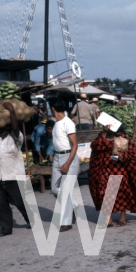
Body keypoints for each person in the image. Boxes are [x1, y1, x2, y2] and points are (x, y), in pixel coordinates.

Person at [89, 125, 136, 227]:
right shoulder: (100, 138)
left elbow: (133, 153)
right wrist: (104, 133)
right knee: (103, 192)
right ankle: (108, 218)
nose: (108, 128)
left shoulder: (122, 138)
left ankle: (123, 216)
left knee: (121, 192)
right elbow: (96, 146)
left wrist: (123, 156)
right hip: (104, 170)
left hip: (119, 169)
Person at [0, 102, 31, 237]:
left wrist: (11, 111)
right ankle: (6, 229)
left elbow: (16, 127)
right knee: (0, 204)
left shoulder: (16, 138)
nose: (0, 130)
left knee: (20, 202)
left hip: (14, 176)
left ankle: (31, 219)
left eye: (3, 128)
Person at [50, 97, 80, 232]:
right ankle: (72, 209)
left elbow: (75, 145)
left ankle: (66, 222)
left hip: (68, 157)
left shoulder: (68, 123)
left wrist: (67, 163)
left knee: (65, 190)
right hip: (57, 157)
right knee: (55, 189)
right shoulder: (56, 123)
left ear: (53, 109)